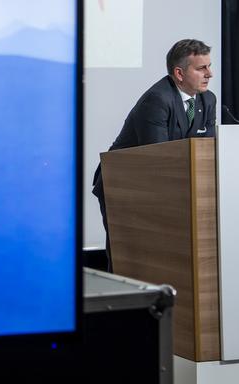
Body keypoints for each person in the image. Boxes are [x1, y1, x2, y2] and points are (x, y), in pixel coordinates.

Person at [91, 39, 217, 272]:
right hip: (124, 185)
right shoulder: (158, 99)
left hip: (167, 189)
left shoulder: (208, 99)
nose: (210, 74)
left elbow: (206, 150)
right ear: (179, 73)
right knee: (126, 260)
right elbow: (157, 157)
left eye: (209, 66)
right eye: (201, 68)